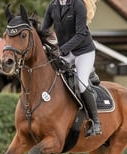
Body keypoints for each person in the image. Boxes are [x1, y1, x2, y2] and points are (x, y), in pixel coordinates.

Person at [42, 0, 102, 137]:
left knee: (81, 84)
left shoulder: (78, 5)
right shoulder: (53, 6)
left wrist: (62, 50)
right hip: (66, 52)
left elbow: (81, 34)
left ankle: (96, 122)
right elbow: (44, 30)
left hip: (83, 52)